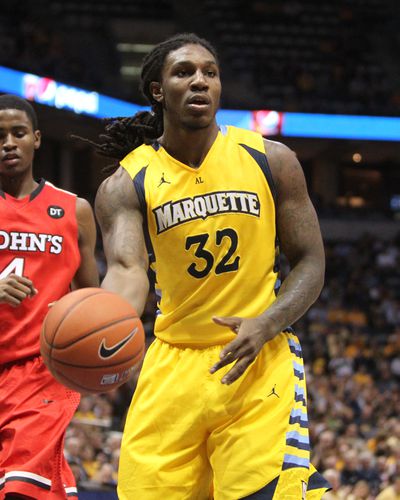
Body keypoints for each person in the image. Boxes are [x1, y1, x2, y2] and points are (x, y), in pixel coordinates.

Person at [91, 33, 330, 499]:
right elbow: (126, 269)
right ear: (159, 90)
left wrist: (267, 323)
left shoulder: (271, 160)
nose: (200, 81)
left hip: (256, 359)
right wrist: (103, 327)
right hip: (172, 364)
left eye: (210, 73)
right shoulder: (127, 181)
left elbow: (311, 262)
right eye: (184, 72)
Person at [0, 94, 99, 499]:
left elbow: (93, 300)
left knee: (22, 489)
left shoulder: (74, 210)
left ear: (37, 139)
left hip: (45, 371)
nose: (8, 142)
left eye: (18, 133)